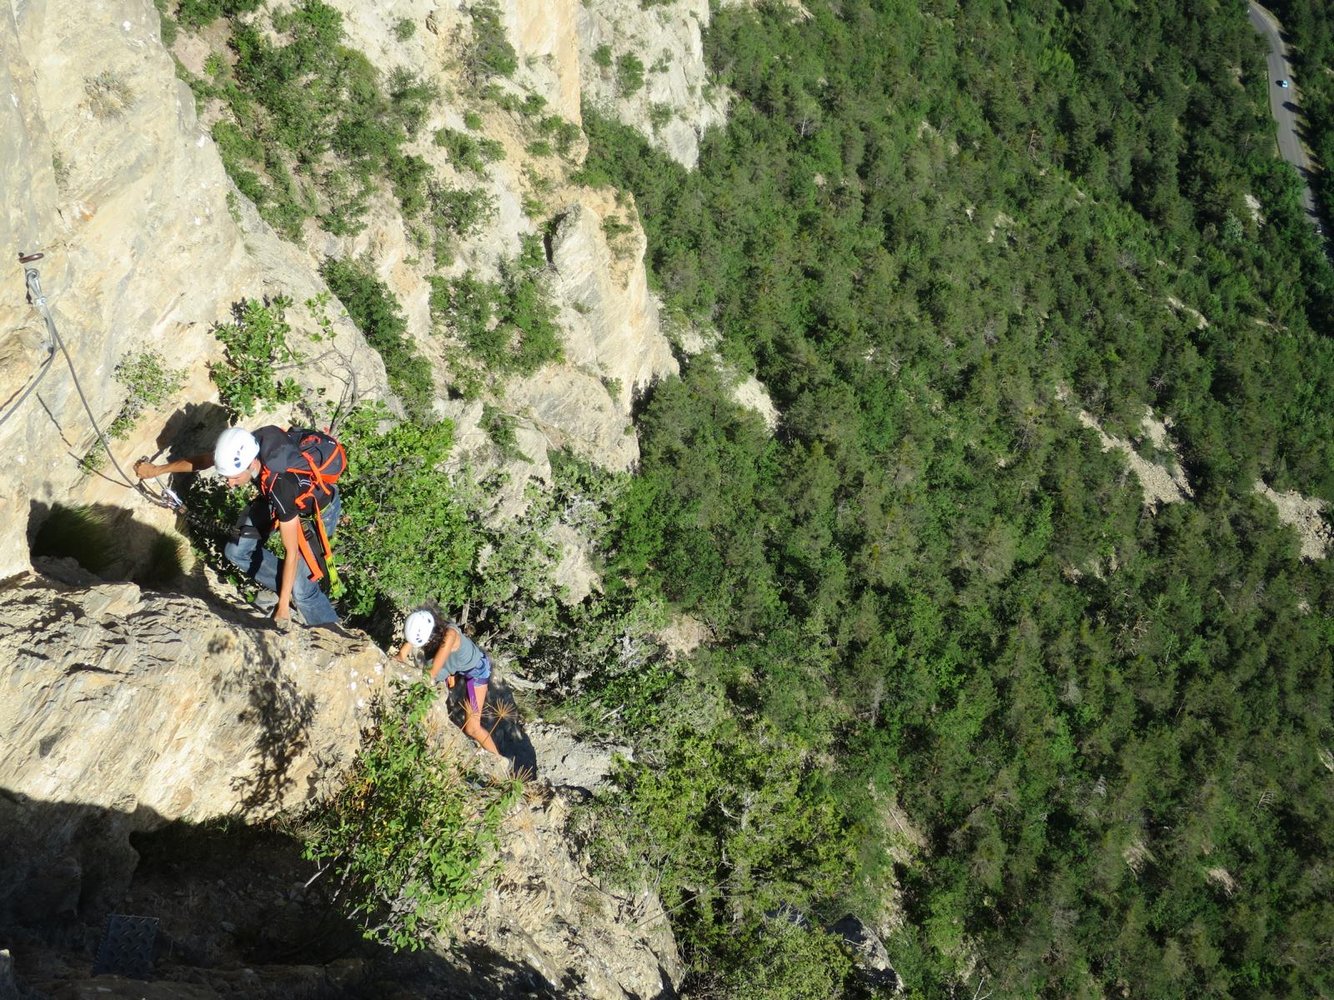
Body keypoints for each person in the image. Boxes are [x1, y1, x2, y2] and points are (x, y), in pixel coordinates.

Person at [134, 425, 343, 628]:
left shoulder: (281, 485)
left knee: (303, 591)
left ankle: (333, 634)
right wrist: (155, 470)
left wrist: (282, 609)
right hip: (275, 499)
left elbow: (292, 552)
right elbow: (204, 461)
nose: (230, 484)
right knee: (236, 551)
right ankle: (287, 588)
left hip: (316, 511)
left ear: (252, 465)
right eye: (227, 477)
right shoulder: (244, 447)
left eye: (234, 477)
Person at [395, 610, 501, 755]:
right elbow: (403, 652)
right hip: (455, 664)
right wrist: (399, 658)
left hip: (476, 672)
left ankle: (500, 761)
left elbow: (431, 674)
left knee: (472, 728)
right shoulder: (429, 625)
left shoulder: (449, 636)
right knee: (444, 681)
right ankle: (453, 673)